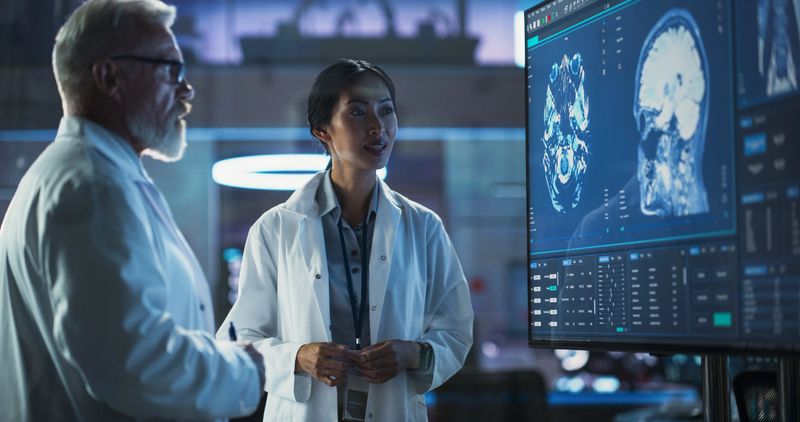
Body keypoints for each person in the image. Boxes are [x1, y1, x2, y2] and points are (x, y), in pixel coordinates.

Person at [0, 1, 265, 420]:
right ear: (110, 77)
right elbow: (136, 364)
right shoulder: (93, 186)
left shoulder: (90, 176)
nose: (187, 91)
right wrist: (248, 370)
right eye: (171, 70)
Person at [217, 59, 474, 421]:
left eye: (386, 111)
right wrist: (298, 358)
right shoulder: (275, 228)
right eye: (357, 112)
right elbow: (238, 339)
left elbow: (457, 332)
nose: (377, 127)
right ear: (322, 130)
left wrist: (413, 354)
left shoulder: (424, 227)